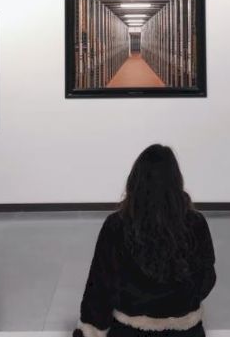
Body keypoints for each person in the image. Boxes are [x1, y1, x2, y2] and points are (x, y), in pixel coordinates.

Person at [74, 144, 216, 337]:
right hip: (185, 331)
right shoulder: (196, 223)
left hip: (129, 332)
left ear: (135, 180)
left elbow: (100, 288)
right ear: (176, 181)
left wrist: (90, 330)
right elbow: (206, 279)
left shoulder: (116, 225)